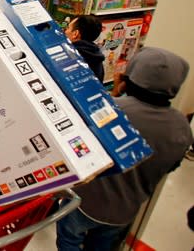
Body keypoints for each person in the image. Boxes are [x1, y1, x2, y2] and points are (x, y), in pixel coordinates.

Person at [56, 47, 193, 251]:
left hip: (84, 202)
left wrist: (115, 93)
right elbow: (171, 167)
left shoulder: (109, 108)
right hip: (125, 210)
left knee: (69, 240)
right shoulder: (182, 128)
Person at [64, 15, 105, 82]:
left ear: (75, 34)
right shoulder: (96, 54)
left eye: (68, 28)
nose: (65, 31)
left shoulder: (71, 55)